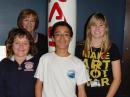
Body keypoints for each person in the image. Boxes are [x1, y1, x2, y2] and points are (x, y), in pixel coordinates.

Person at [34, 21, 90, 97]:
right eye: (58, 34)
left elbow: (81, 91)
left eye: (66, 34)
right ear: (53, 38)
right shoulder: (45, 59)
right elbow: (38, 85)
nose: (62, 38)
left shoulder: (78, 63)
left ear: (70, 38)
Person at [75, 12, 121, 97]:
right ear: (89, 28)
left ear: (105, 28)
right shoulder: (80, 48)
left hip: (108, 93)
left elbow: (117, 79)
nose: (97, 28)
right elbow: (77, 75)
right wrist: (81, 93)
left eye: (101, 25)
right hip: (85, 93)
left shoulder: (112, 48)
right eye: (94, 25)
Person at [0, 28, 39, 97]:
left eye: (25, 43)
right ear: (11, 44)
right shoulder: (4, 63)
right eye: (17, 43)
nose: (21, 46)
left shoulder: (38, 63)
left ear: (30, 45)